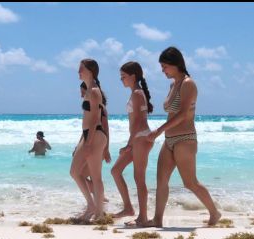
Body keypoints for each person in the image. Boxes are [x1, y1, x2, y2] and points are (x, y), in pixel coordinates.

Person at [143, 47, 221, 227]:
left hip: (185, 139)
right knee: (161, 181)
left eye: (165, 66)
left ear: (175, 64)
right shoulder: (173, 85)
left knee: (190, 182)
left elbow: (184, 114)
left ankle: (214, 212)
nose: (163, 70)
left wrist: (158, 131)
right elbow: (172, 113)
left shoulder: (188, 84)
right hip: (169, 140)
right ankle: (157, 220)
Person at [111, 61, 154, 226]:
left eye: (123, 76)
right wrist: (130, 143)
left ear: (133, 76)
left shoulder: (137, 93)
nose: (121, 80)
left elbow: (137, 123)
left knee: (139, 178)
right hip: (138, 138)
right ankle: (128, 208)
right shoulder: (135, 93)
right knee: (116, 171)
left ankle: (142, 217)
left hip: (141, 138)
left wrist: (129, 145)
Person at [70, 60, 110, 221]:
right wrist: (82, 142)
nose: (78, 71)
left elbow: (95, 120)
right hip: (88, 135)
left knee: (95, 176)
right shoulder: (89, 91)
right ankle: (92, 206)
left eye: (81, 68)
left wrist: (87, 144)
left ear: (90, 71)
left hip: (95, 136)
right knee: (75, 172)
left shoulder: (94, 91)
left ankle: (99, 213)